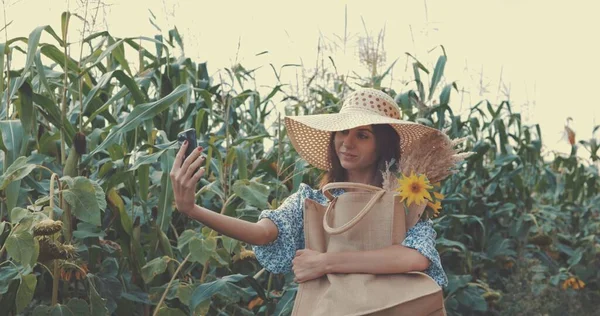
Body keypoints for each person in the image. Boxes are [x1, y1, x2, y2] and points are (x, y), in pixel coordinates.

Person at [170, 87, 448, 288]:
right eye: (342, 132)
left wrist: (326, 262)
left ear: (382, 146)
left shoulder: (402, 201)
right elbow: (262, 233)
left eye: (362, 135)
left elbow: (416, 257)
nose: (347, 143)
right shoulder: (314, 202)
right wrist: (192, 209)